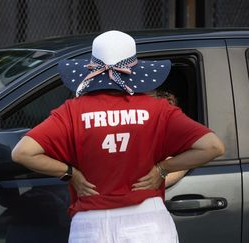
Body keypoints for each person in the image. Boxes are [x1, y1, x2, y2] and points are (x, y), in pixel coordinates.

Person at [11, 30, 225, 243]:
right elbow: (213, 147)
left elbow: (22, 153)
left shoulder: (71, 111)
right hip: (149, 224)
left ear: (92, 69)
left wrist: (70, 173)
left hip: (90, 226)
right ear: (134, 70)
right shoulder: (157, 109)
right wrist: (162, 169)